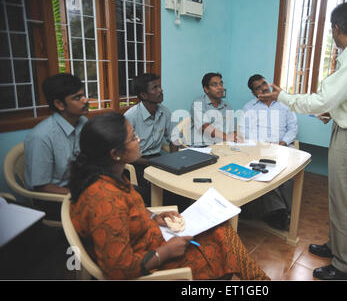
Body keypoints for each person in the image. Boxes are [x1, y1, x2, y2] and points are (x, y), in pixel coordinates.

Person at [258, 2, 347, 280]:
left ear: (336, 28)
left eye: (331, 29)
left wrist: (283, 97)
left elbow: (322, 98)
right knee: (340, 198)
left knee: (343, 202)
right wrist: (335, 111)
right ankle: (336, 247)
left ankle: (345, 267)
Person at [68, 112, 269, 280]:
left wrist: (153, 217)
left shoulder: (111, 175)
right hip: (150, 264)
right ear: (115, 153)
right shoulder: (103, 199)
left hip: (152, 241)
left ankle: (258, 280)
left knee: (221, 229)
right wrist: (164, 253)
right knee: (222, 249)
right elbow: (118, 269)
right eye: (133, 138)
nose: (139, 141)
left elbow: (128, 212)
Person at [24, 73, 89, 220]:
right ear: (59, 104)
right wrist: (80, 193)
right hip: (54, 199)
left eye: (84, 94)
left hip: (78, 186)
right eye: (77, 97)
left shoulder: (83, 122)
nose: (86, 100)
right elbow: (41, 186)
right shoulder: (41, 137)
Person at [238, 74, 298, 230]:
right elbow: (244, 132)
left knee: (286, 174)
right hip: (259, 149)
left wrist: (282, 143)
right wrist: (260, 147)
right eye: (258, 87)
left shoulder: (285, 104)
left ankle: (285, 210)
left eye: (264, 83)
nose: (263, 88)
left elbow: (293, 128)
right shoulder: (249, 107)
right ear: (254, 93)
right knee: (263, 172)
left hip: (283, 146)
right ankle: (280, 212)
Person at [124, 73, 177, 205]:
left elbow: (173, 139)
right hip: (136, 163)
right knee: (159, 190)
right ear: (143, 95)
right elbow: (124, 153)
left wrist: (175, 160)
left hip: (157, 159)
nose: (160, 90)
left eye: (159, 86)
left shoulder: (164, 112)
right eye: (154, 88)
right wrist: (152, 163)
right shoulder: (131, 116)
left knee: (179, 184)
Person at [190, 72, 242, 146]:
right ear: (206, 89)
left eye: (221, 84)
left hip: (222, 146)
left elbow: (231, 130)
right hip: (202, 147)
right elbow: (205, 126)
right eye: (214, 85)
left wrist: (236, 136)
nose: (220, 87)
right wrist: (227, 137)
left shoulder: (227, 106)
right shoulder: (198, 104)